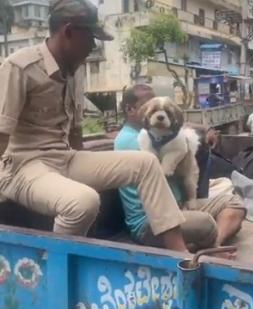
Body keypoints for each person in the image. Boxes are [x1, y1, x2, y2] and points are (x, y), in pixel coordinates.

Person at [0, 0, 189, 252]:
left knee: (146, 163)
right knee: (83, 201)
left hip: (64, 159)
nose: (93, 47)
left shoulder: (75, 71)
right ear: (68, 32)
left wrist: (89, 170)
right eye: (91, 38)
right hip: (24, 166)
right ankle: (58, 272)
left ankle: (180, 253)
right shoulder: (19, 67)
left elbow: (76, 133)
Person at [114, 85, 245, 251]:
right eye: (150, 106)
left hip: (178, 207)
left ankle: (211, 246)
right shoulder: (131, 140)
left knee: (234, 203)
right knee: (205, 222)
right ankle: (207, 246)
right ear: (130, 109)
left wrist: (204, 129)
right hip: (152, 221)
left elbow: (179, 128)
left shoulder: (157, 134)